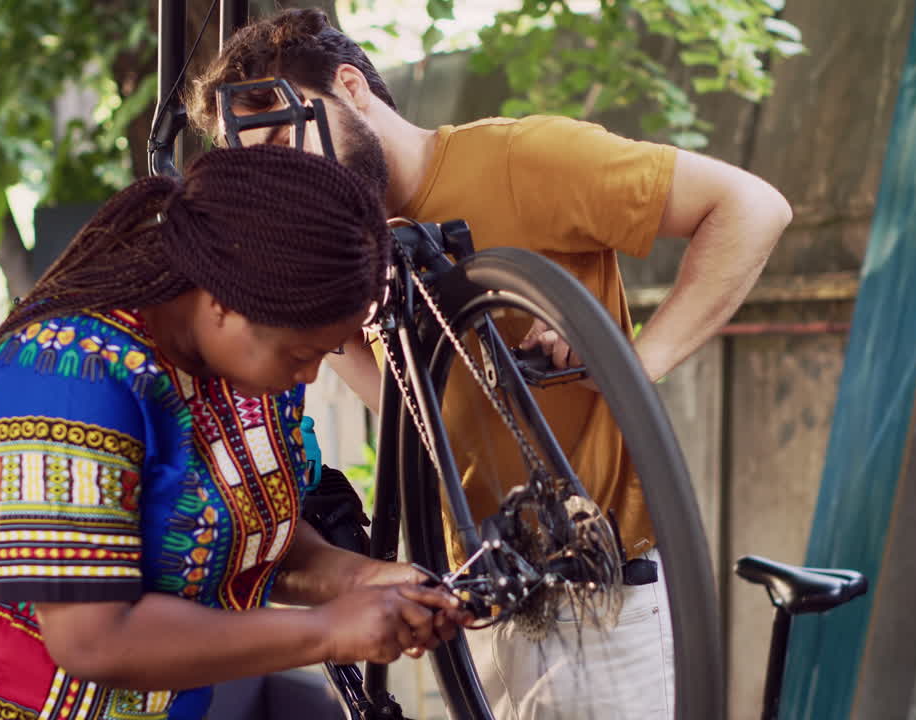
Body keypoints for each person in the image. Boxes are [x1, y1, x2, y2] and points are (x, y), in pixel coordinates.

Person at [189, 9, 792, 720]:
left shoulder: (522, 157)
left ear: (351, 88)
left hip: (601, 596)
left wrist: (634, 362)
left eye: (292, 137)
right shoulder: (350, 241)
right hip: (483, 596)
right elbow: (413, 412)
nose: (293, 169)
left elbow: (752, 206)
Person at [0, 145, 470, 720]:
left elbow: (245, 545)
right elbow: (93, 640)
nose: (311, 373)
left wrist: (365, 580)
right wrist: (330, 631)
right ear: (222, 304)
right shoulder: (67, 375)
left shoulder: (250, 371)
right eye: (301, 352)